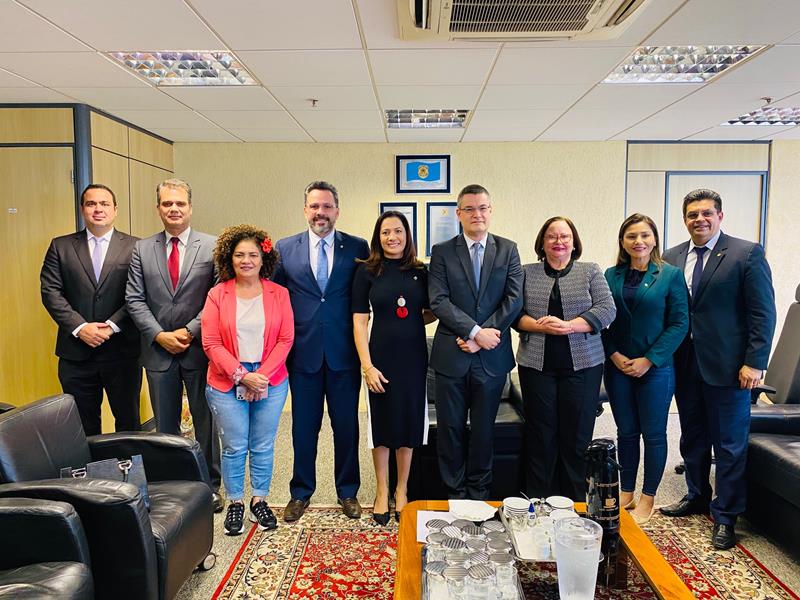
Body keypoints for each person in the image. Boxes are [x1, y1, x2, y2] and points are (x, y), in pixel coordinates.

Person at [660, 188, 776, 550]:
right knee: (692, 436)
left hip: (730, 367)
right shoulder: (671, 257)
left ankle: (726, 515)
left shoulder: (746, 253)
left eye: (707, 213)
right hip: (685, 364)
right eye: (692, 214)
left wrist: (755, 362)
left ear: (720, 216)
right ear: (684, 219)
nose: (700, 219)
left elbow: (762, 312)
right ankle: (696, 495)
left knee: (729, 444)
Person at [272, 181, 369, 521]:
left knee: (346, 427)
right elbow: (276, 299)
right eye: (314, 206)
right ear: (305, 210)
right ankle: (300, 493)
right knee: (303, 429)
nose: (320, 212)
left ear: (337, 211)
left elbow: (364, 297)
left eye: (327, 206)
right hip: (303, 355)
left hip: (344, 354)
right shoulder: (285, 248)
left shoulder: (357, 247)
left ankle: (348, 492)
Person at [125, 178, 223, 511]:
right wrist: (159, 335)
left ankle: (210, 485)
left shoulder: (212, 246)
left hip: (198, 349)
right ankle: (171, 488)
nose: (174, 209)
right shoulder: (142, 249)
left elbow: (217, 297)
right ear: (158, 209)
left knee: (205, 422)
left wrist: (189, 331)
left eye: (180, 203)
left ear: (190, 207)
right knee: (164, 427)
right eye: (167, 203)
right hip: (158, 351)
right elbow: (134, 299)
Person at [428, 184, 523, 500]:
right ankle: (454, 494)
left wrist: (484, 337)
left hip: (491, 357)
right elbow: (438, 300)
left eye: (482, 208)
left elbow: (513, 299)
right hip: (451, 357)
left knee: (484, 431)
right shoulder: (442, 251)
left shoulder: (508, 249)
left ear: (490, 211)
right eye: (469, 209)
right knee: (450, 431)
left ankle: (479, 494)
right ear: (458, 214)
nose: (476, 214)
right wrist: (473, 332)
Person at [201, 225, 294, 535]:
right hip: (226, 380)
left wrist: (260, 377)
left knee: (263, 444)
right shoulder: (217, 294)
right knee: (234, 445)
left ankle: (259, 500)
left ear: (263, 258)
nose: (246, 261)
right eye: (240, 255)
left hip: (270, 378)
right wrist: (242, 376)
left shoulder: (279, 293)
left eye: (253, 254)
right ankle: (236, 502)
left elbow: (285, 339)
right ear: (230, 258)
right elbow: (211, 342)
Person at [515, 216, 616, 500]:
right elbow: (514, 313)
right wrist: (542, 327)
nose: (558, 242)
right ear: (542, 243)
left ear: (574, 242)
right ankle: (538, 501)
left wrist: (569, 326)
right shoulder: (526, 272)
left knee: (577, 436)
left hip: (583, 366)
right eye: (552, 236)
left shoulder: (590, 271)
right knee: (541, 436)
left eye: (565, 236)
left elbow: (607, 309)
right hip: (536, 366)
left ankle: (576, 502)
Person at [602, 214, 688, 524]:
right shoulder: (610, 275)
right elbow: (602, 319)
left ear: (654, 240)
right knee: (626, 432)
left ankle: (648, 496)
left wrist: (649, 359)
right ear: (622, 242)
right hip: (618, 367)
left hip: (655, 368)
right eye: (631, 236)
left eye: (644, 235)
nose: (638, 241)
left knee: (653, 434)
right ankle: (626, 492)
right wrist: (613, 355)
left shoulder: (670, 275)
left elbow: (680, 323)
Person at [352, 211, 435, 524]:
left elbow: (433, 310)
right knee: (382, 424)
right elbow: (360, 321)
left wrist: (410, 321)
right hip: (380, 358)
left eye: (398, 231)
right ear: (378, 236)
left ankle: (402, 489)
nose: (392, 237)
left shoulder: (420, 271)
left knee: (409, 422)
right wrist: (367, 366)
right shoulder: (366, 271)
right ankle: (381, 489)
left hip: (413, 358)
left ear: (407, 235)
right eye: (386, 232)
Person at [40, 184, 142, 435]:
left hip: (122, 352)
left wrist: (112, 326)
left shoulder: (137, 247)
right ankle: (89, 464)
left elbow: (140, 294)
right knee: (82, 427)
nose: (98, 209)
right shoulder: (61, 246)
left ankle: (128, 463)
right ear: (82, 209)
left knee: (128, 422)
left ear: (115, 209)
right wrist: (80, 327)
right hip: (76, 354)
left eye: (104, 204)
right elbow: (50, 292)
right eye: (91, 204)